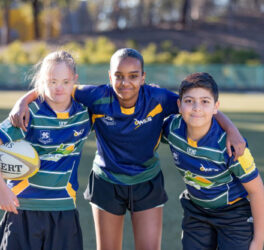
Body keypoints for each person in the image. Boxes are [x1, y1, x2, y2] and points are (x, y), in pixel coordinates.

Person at [9, 49, 246, 250]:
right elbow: (55, 84)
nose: (125, 82)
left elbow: (197, 103)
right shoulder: (96, 95)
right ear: (109, 76)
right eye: (119, 76)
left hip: (146, 181)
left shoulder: (158, 98)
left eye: (133, 76)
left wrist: (232, 130)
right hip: (106, 181)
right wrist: (24, 101)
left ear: (143, 77)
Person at [0, 51, 91, 250]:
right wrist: (2, 190)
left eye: (65, 82)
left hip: (64, 208)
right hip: (23, 208)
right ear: (41, 81)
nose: (59, 88)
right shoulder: (27, 113)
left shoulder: (84, 115)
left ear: (74, 80)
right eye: (52, 81)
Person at [162, 72, 264, 250]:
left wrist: (258, 241)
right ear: (179, 105)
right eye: (189, 101)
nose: (196, 108)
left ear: (216, 106)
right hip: (196, 211)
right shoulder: (172, 128)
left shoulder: (232, 146)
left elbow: (257, 191)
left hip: (234, 214)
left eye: (205, 101)